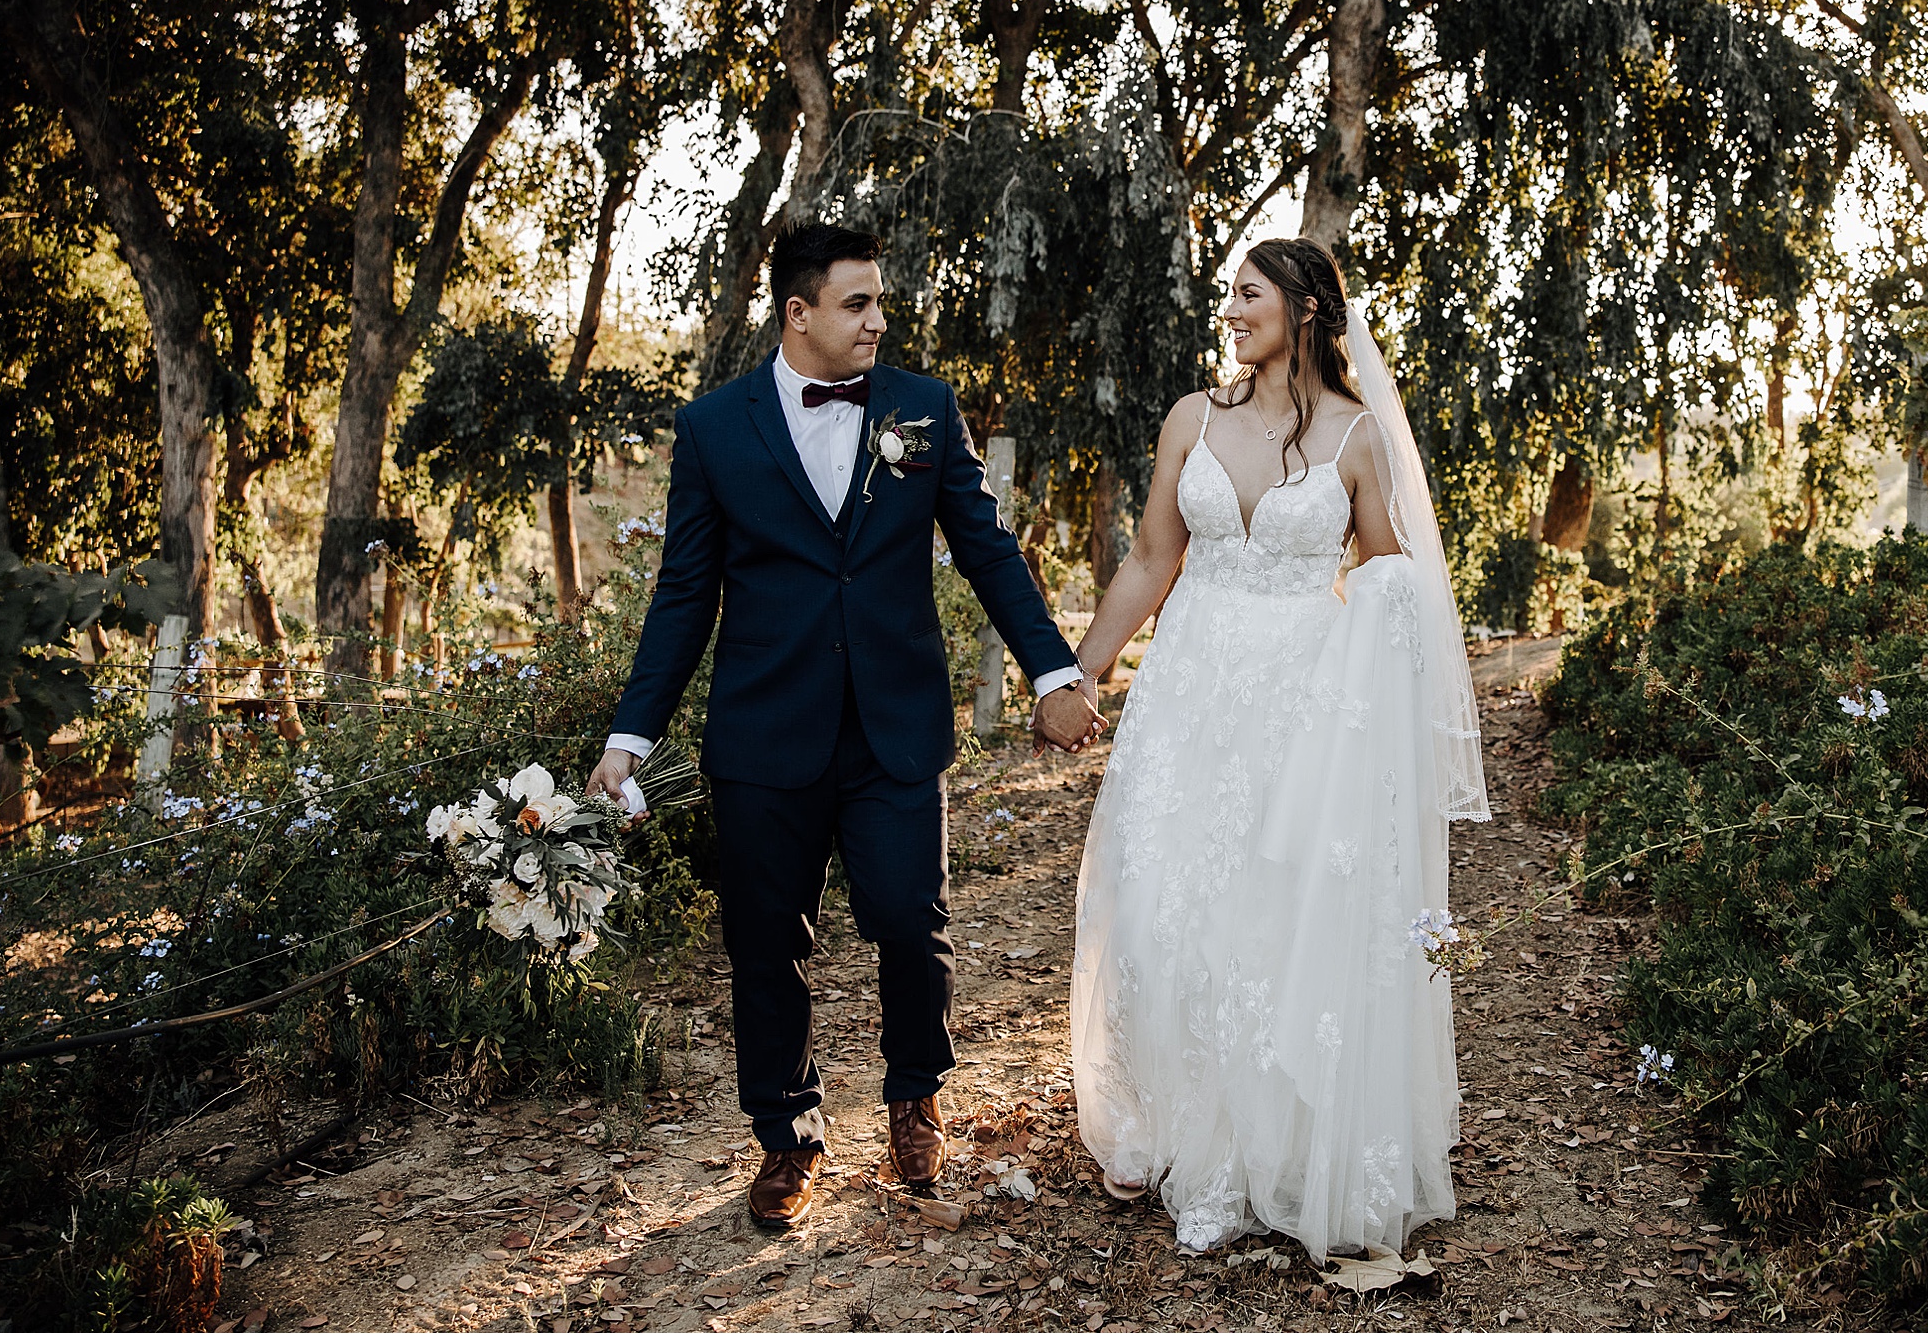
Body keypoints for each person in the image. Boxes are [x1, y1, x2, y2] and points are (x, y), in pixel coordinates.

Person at [588, 224, 1107, 1229]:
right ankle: (787, 1137)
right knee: (765, 944)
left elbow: (990, 552)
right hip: (762, 734)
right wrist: (630, 737)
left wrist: (1052, 669)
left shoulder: (922, 407)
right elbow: (684, 594)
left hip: (894, 726)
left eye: (880, 303)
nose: (878, 321)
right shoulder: (713, 429)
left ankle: (916, 1096)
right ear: (798, 312)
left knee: (911, 920)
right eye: (857, 304)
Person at [1064, 236, 1489, 1261]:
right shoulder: (1191, 421)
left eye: (1248, 295)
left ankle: (1261, 1147)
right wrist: (1080, 674)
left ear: (1301, 310)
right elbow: (1154, 557)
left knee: (1264, 919)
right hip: (1186, 698)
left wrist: (1374, 702)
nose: (1231, 311)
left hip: (1300, 712)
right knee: (1159, 905)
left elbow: (1391, 582)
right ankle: (1162, 1124)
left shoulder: (1356, 440)